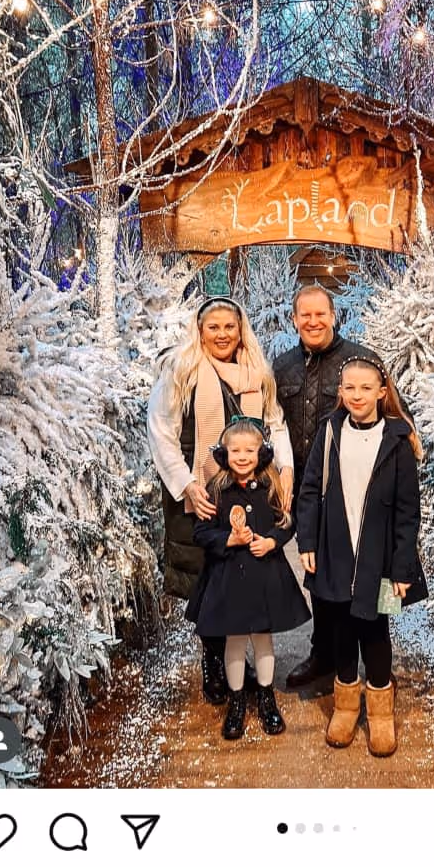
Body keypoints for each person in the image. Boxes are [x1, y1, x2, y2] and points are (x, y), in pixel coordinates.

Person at [147, 297, 294, 704]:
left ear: (240, 329)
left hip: (249, 491)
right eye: (213, 327)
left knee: (246, 573)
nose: (222, 334)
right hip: (201, 492)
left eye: (229, 326)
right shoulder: (182, 370)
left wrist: (285, 470)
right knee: (208, 577)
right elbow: (161, 430)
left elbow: (275, 424)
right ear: (200, 330)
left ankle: (245, 659)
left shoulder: (256, 372)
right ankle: (214, 660)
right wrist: (186, 485)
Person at [297, 357, 427, 756]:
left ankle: (381, 712)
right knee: (341, 630)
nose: (357, 395)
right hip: (336, 550)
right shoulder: (330, 432)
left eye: (365, 388)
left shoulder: (396, 441)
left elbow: (408, 512)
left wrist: (402, 567)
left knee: (375, 632)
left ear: (381, 393)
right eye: (349, 388)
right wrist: (307, 542)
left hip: (380, 558)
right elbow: (310, 490)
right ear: (341, 391)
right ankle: (346, 706)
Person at [272, 286, 385, 689]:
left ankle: (372, 656)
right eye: (305, 315)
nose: (313, 321)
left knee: (364, 571)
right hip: (306, 491)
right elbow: (272, 424)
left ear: (334, 316)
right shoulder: (282, 367)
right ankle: (324, 654)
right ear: (294, 319)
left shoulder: (359, 360)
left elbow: (389, 416)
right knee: (319, 575)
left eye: (321, 313)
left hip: (353, 489)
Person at [188, 419, 310, 740]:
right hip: (228, 579)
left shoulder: (270, 486)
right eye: (235, 451)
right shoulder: (216, 490)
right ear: (225, 453)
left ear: (261, 453)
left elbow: (287, 522)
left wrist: (271, 541)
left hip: (264, 576)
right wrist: (229, 539)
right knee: (235, 640)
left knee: (263, 639)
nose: (242, 457)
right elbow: (201, 532)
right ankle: (237, 701)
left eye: (249, 451)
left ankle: (267, 698)